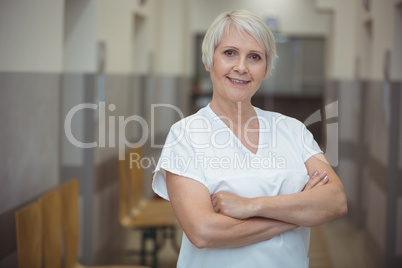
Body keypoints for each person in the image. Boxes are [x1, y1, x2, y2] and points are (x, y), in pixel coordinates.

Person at [152, 9, 347, 268]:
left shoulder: (292, 130)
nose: (241, 67)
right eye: (230, 53)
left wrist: (251, 206)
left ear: (266, 68)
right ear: (209, 60)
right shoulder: (185, 135)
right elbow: (203, 232)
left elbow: (335, 200)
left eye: (254, 57)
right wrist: (299, 214)